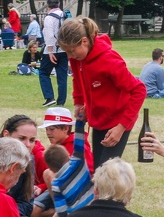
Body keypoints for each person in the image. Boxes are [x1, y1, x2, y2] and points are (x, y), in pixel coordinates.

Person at [58, 16, 145, 167]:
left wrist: (121, 127)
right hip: (99, 119)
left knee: (106, 171)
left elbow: (139, 90)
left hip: (118, 120)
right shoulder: (77, 58)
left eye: (72, 51)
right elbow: (77, 78)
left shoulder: (109, 60)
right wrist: (79, 102)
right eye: (67, 52)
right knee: (98, 169)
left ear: (85, 41)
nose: (70, 56)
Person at [40, 0, 69, 107]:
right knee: (62, 76)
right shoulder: (64, 15)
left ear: (48, 5)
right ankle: (61, 101)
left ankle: (49, 97)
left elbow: (49, 35)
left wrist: (50, 51)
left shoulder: (49, 18)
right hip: (64, 49)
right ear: (58, 3)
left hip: (52, 50)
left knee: (43, 73)